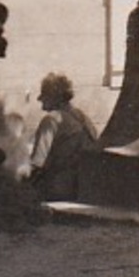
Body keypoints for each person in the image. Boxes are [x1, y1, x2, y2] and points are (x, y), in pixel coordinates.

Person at [26, 73, 97, 202]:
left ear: (54, 97)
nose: (39, 99)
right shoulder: (82, 117)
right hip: (82, 188)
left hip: (55, 188)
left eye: (44, 94)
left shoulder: (52, 119)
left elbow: (37, 162)